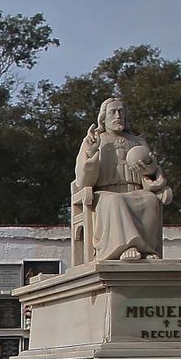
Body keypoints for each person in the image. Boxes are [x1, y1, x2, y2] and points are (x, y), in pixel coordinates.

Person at [74, 97, 173, 261]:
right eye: (113, 112)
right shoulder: (94, 141)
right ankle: (125, 247)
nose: (118, 116)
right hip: (105, 194)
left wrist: (149, 170)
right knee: (115, 201)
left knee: (150, 200)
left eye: (121, 111)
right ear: (103, 118)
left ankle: (146, 249)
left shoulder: (138, 142)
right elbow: (83, 181)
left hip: (136, 192)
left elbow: (150, 177)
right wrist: (91, 153)